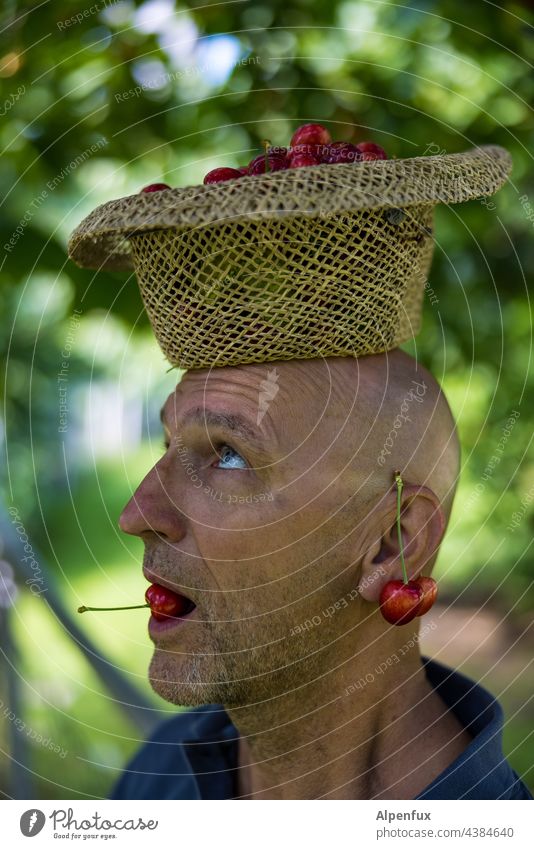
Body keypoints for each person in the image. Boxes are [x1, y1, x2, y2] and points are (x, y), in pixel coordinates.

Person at [109, 349, 532, 799]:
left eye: (229, 455)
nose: (136, 514)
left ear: (393, 541)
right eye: (168, 443)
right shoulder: (157, 774)